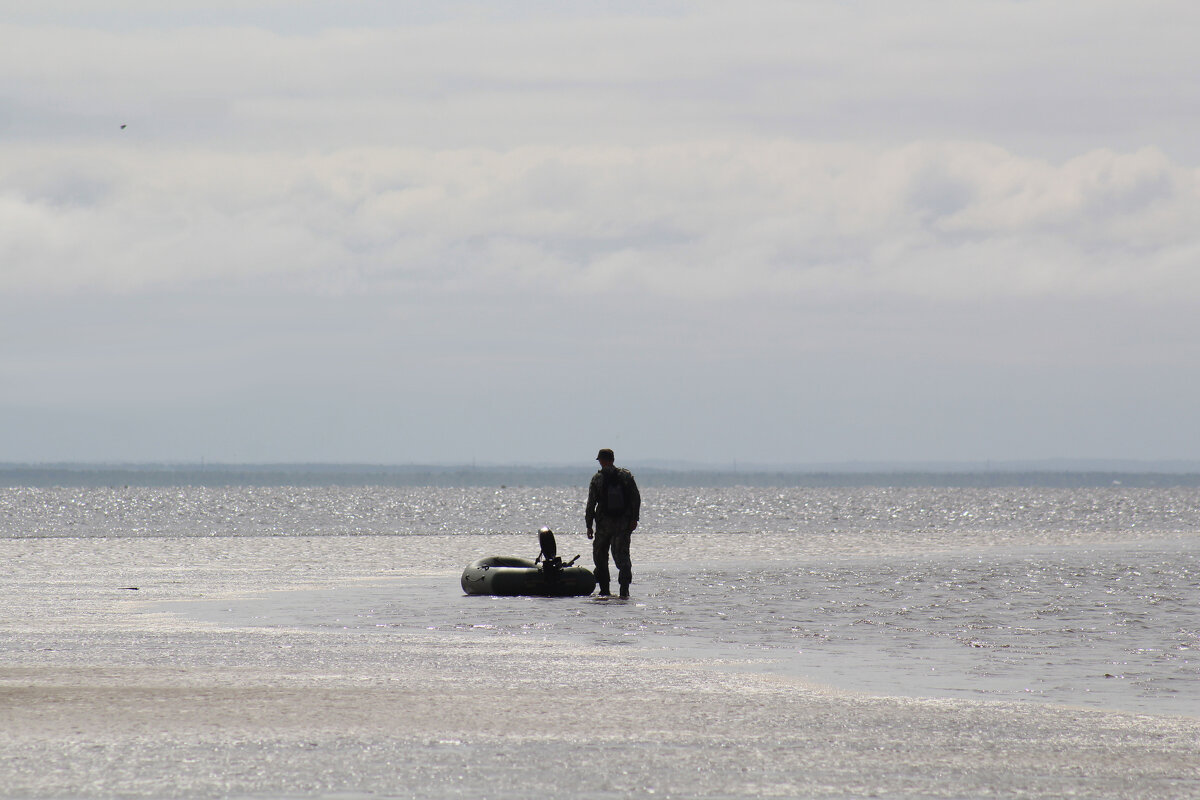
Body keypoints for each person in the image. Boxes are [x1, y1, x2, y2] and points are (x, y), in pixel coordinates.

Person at [585, 448, 641, 597]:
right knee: (622, 558)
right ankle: (624, 591)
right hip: (623, 525)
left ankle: (604, 591)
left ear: (602, 461)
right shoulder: (626, 476)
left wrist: (589, 525)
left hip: (604, 526)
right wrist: (634, 519)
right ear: (613, 460)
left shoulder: (597, 479)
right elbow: (636, 499)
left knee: (600, 557)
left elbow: (591, 504)